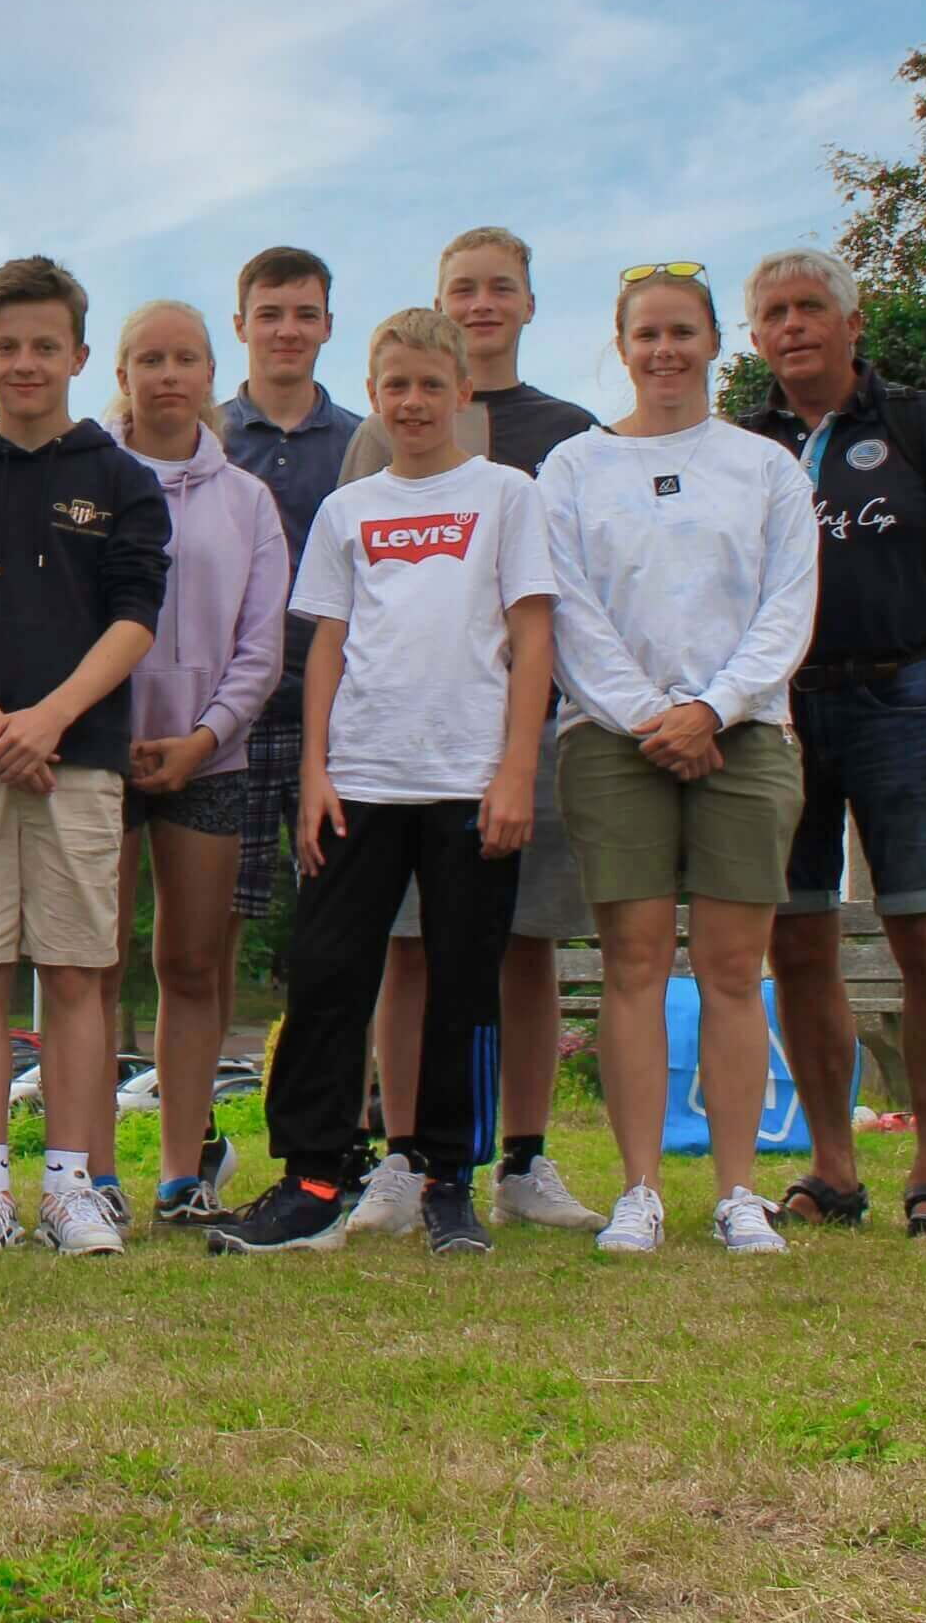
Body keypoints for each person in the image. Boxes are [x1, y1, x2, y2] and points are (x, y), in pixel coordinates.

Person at [212, 309, 552, 1258]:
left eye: (430, 386)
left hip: (469, 780)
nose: (412, 402)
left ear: (462, 395)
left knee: (462, 983)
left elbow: (533, 636)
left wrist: (517, 769)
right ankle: (314, 1182)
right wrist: (317, 774)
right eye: (395, 385)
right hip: (358, 780)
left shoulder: (506, 495)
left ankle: (450, 1182)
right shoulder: (347, 510)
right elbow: (325, 644)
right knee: (326, 978)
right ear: (374, 394)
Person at [0, 259, 171, 1259]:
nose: (24, 364)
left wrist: (49, 719)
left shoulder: (122, 482)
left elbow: (135, 617)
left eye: (43, 347)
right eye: (5, 347)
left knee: (73, 970)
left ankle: (70, 1186)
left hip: (81, 760)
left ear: (78, 357)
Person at [544, 264, 819, 1256]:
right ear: (620, 348)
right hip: (613, 742)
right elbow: (566, 608)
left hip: (744, 736)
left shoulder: (766, 469)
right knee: (633, 962)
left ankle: (740, 1192)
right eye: (645, 334)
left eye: (682, 332)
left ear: (714, 344)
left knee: (735, 967)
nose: (664, 350)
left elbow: (788, 606)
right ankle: (639, 1190)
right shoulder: (573, 468)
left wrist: (711, 708)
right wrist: (652, 715)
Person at [738, 247, 926, 1241]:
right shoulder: (744, 443)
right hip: (780, 714)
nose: (795, 325)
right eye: (775, 312)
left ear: (855, 325)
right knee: (797, 940)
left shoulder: (921, 425)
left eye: (813, 308)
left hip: (901, 701)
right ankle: (832, 1169)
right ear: (757, 336)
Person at [339, 228, 606, 1237]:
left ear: (531, 304)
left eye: (502, 288)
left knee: (525, 946)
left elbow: (572, 591)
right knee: (406, 948)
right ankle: (404, 1156)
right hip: (404, 744)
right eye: (464, 288)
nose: (484, 302)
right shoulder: (385, 434)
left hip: (526, 736)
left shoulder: (573, 434)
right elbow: (360, 592)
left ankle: (525, 1162)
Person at [106, 299, 288, 1223]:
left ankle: (182, 1173)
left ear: (212, 373)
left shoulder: (248, 500)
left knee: (189, 962)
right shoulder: (86, 475)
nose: (168, 374)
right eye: (150, 359)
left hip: (211, 760)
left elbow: (262, 648)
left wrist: (204, 738)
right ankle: (86, 1176)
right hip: (95, 752)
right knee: (92, 963)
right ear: (123, 373)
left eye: (185, 358)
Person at [219, 248, 358, 1136]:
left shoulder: (363, 440)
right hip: (223, 720)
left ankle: (336, 1132)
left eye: (304, 313)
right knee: (209, 941)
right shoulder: (203, 432)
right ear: (241, 325)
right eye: (270, 313)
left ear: (328, 326)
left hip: (333, 719)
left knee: (338, 942)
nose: (287, 330)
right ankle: (194, 1145)